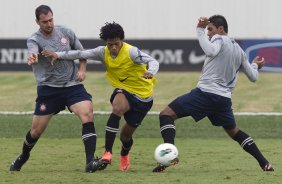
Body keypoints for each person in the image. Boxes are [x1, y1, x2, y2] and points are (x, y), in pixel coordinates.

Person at [152, 15, 274, 172]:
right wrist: (255, 65)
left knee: (166, 114)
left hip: (206, 94)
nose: (209, 33)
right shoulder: (239, 50)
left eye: (210, 29)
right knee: (234, 132)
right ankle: (265, 163)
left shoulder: (219, 40)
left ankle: (168, 158)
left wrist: (199, 30)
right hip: (223, 100)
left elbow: (210, 51)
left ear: (221, 29)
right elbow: (253, 77)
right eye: (207, 30)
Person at [42, 22, 159, 172]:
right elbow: (80, 54)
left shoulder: (132, 52)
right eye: (110, 44)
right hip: (124, 90)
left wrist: (151, 72)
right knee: (117, 108)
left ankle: (124, 153)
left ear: (122, 40)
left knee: (125, 137)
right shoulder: (102, 52)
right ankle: (107, 153)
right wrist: (57, 54)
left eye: (116, 44)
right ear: (106, 43)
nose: (113, 48)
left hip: (144, 96)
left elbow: (153, 61)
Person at [9, 5, 101, 173]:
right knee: (36, 131)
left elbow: (82, 53)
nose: (49, 24)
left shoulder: (66, 32)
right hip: (48, 90)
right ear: (37, 22)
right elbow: (33, 51)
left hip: (72, 86)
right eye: (44, 22)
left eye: (51, 20)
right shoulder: (34, 40)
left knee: (87, 114)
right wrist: (33, 56)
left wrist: (82, 70)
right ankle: (23, 156)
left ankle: (90, 163)